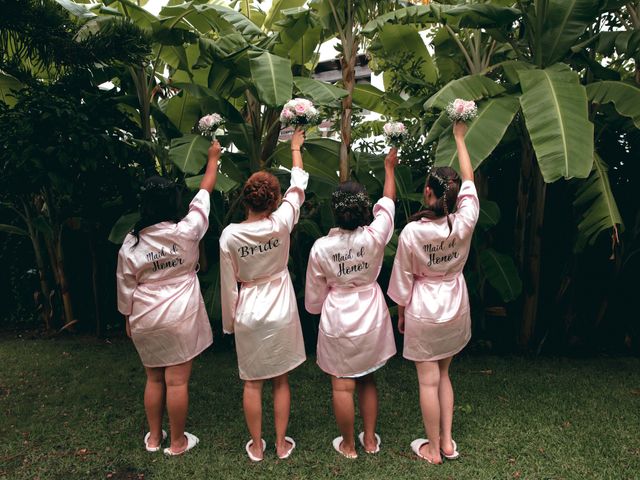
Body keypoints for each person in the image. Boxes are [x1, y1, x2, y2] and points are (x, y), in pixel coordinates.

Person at [116, 141, 221, 456]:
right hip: (180, 313)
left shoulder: (131, 244)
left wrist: (127, 319)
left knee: (153, 378)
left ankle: (152, 438)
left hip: (144, 315)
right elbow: (204, 195)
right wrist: (212, 159)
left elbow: (125, 284)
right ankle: (177, 442)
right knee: (177, 382)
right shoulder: (187, 230)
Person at [388, 122, 479, 464]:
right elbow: (470, 181)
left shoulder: (413, 232)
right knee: (443, 374)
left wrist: (400, 313)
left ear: (428, 192)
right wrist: (459, 138)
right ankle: (448, 442)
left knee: (428, 380)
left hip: (424, 307)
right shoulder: (464, 219)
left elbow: (403, 279)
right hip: (454, 303)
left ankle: (431, 447)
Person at [219, 128, 307, 461]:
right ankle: (282, 443)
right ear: (274, 201)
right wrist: (295, 148)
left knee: (253, 382)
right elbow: (298, 188)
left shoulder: (230, 236)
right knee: (281, 380)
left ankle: (257, 445)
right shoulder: (282, 222)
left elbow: (229, 284)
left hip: (250, 309)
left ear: (246, 199)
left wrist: (230, 324)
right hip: (281, 306)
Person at [305, 149, 399, 459]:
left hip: (338, 318)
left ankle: (348, 444)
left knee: (342, 385)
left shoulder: (321, 248)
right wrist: (389, 169)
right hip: (370, 314)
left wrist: (316, 309)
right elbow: (387, 206)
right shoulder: (374, 238)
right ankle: (370, 439)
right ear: (363, 211)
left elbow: (315, 297)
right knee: (368, 378)